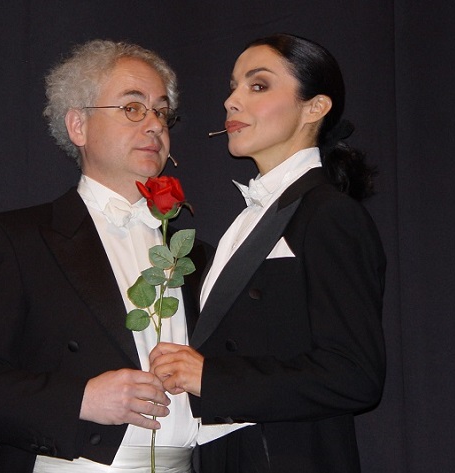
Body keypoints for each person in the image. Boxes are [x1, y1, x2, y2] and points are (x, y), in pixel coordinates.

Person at [0, 39, 208, 473]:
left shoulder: (199, 255)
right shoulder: (17, 240)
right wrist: (82, 399)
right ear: (78, 126)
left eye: (161, 111)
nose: (154, 124)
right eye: (133, 108)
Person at [149, 33, 386, 473]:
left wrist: (210, 377)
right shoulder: (253, 218)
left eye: (258, 85)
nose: (231, 101)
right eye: (233, 87)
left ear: (315, 107)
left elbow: (355, 376)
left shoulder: (330, 214)